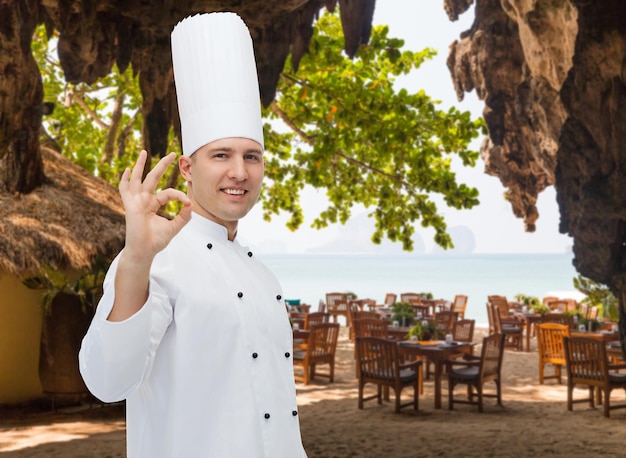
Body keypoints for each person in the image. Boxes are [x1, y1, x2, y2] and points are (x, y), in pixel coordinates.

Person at [79, 12, 307, 457]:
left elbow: (277, 411)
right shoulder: (155, 258)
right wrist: (137, 259)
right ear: (187, 167)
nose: (239, 172)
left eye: (252, 157)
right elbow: (108, 382)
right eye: (221, 155)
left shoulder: (262, 275)